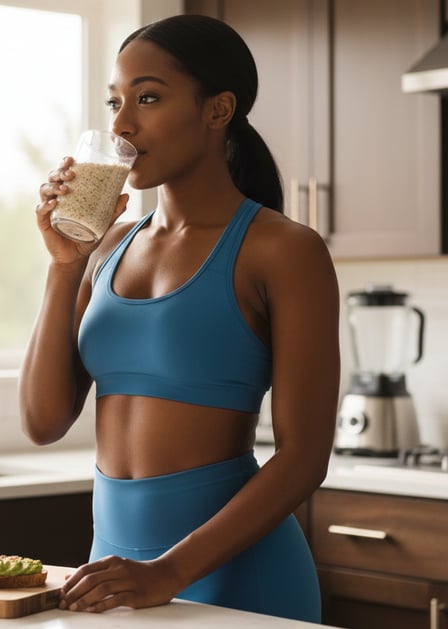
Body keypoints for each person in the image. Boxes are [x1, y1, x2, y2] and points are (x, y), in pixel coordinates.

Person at [19, 14, 339, 623]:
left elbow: (305, 456)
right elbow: (42, 421)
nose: (122, 124)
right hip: (115, 575)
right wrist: (64, 267)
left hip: (237, 577)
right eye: (115, 101)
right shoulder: (106, 248)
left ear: (218, 110)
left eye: (147, 98)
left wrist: (168, 570)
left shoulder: (282, 249)